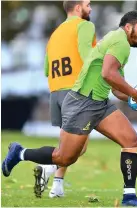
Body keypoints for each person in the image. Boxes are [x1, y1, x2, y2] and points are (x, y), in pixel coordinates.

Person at [2, 10, 137, 207]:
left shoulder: (118, 42)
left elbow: (116, 88)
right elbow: (108, 74)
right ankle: (20, 153)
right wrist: (135, 94)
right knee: (64, 157)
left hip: (99, 102)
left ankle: (129, 197)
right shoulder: (120, 43)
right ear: (129, 27)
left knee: (131, 140)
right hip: (82, 102)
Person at [32, 0, 97, 198]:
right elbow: (89, 57)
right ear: (78, 8)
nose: (91, 8)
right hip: (76, 91)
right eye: (88, 4)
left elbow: (45, 69)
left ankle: (57, 186)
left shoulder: (54, 34)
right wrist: (102, 51)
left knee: (70, 143)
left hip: (56, 92)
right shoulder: (85, 25)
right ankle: (48, 168)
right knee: (78, 146)